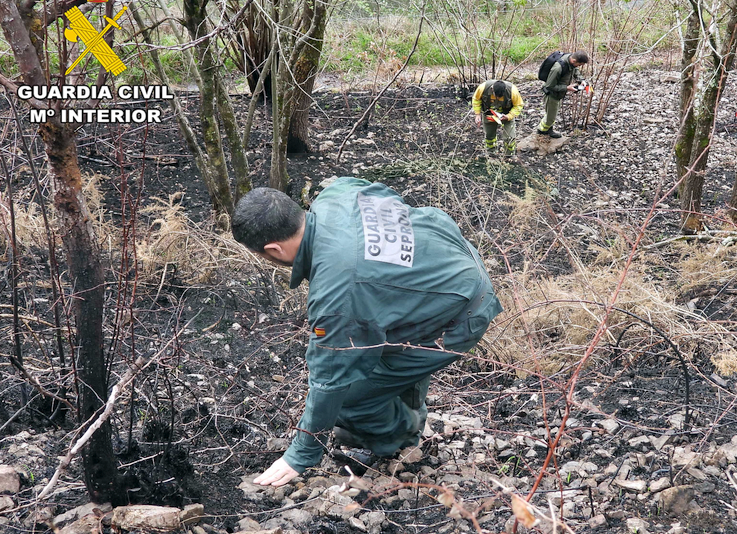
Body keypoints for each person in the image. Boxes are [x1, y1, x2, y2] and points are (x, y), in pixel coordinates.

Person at [232, 178, 503, 487]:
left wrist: (301, 454)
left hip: (460, 309)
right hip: (449, 259)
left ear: (274, 249)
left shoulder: (339, 293)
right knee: (378, 348)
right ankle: (405, 420)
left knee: (348, 399)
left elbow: (331, 380)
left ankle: (401, 437)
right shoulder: (339, 192)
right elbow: (392, 198)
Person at [537, 51, 589, 139]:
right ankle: (542, 131)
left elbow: (575, 69)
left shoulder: (570, 60)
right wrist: (567, 88)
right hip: (551, 95)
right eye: (579, 65)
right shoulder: (557, 68)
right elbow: (549, 86)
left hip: (558, 94)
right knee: (550, 117)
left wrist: (581, 80)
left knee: (552, 113)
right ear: (573, 60)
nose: (578, 67)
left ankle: (547, 129)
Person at [471, 79, 524, 157]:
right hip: (489, 114)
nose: (498, 98)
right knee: (489, 136)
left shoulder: (513, 91)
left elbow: (518, 105)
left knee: (509, 137)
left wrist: (509, 116)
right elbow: (476, 99)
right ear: (492, 89)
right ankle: (491, 153)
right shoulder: (483, 87)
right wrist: (477, 114)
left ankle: (509, 156)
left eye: (500, 96)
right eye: (497, 96)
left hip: (506, 115)